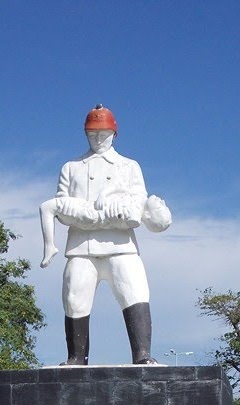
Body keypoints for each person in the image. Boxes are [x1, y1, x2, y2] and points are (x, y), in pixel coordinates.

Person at [39, 104, 171, 365]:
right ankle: (76, 357)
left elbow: (138, 203)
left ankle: (142, 355)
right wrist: (86, 215)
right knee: (74, 297)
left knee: (135, 293)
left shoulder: (129, 167)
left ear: (115, 134)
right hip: (81, 247)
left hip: (120, 244)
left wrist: (116, 212)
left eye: (104, 134)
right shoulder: (71, 167)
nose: (99, 139)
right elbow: (62, 208)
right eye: (93, 134)